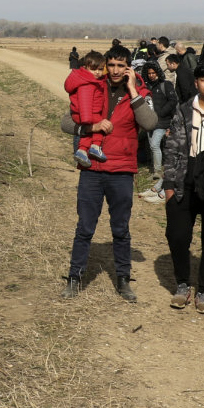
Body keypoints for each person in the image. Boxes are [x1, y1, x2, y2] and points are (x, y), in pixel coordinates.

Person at [61, 47, 155, 301]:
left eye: (120, 66)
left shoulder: (140, 93)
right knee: (84, 227)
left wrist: (133, 90)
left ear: (128, 67)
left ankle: (123, 280)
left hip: (122, 171)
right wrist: (90, 127)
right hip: (92, 169)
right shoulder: (92, 85)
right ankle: (74, 278)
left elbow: (149, 123)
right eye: (110, 65)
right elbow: (66, 122)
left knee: (121, 229)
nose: (114, 71)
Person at [160, 63, 204, 313]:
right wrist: (169, 186)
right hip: (185, 178)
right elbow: (172, 148)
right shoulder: (184, 110)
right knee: (177, 235)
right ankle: (182, 284)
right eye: (203, 80)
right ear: (196, 83)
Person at [139, 61, 179, 201]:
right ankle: (155, 169)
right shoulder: (146, 87)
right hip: (149, 122)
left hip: (163, 122)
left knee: (154, 145)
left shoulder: (165, 85)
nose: (151, 75)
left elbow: (173, 101)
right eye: (149, 73)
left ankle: (157, 171)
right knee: (152, 146)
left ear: (158, 73)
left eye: (153, 73)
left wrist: (161, 113)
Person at [64, 51, 108, 168]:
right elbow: (85, 102)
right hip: (87, 114)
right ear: (86, 67)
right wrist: (87, 120)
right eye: (93, 69)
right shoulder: (87, 83)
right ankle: (95, 146)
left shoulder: (88, 79)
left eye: (100, 69)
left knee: (88, 133)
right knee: (101, 125)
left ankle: (82, 150)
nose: (97, 72)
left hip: (83, 114)